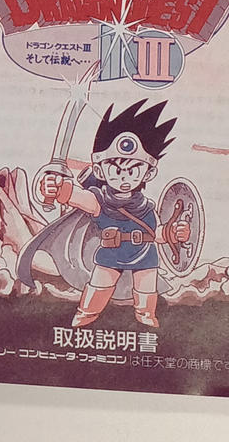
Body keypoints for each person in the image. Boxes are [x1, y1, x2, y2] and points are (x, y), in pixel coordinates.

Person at [34, 99, 191, 328]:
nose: (124, 177)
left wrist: (173, 233)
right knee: (97, 291)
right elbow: (75, 196)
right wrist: (56, 189)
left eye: (133, 170)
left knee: (146, 295)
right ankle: (85, 317)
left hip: (145, 255)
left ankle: (146, 318)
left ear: (148, 173)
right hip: (110, 254)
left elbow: (156, 233)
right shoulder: (99, 200)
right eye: (116, 170)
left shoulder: (147, 207)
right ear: (99, 171)